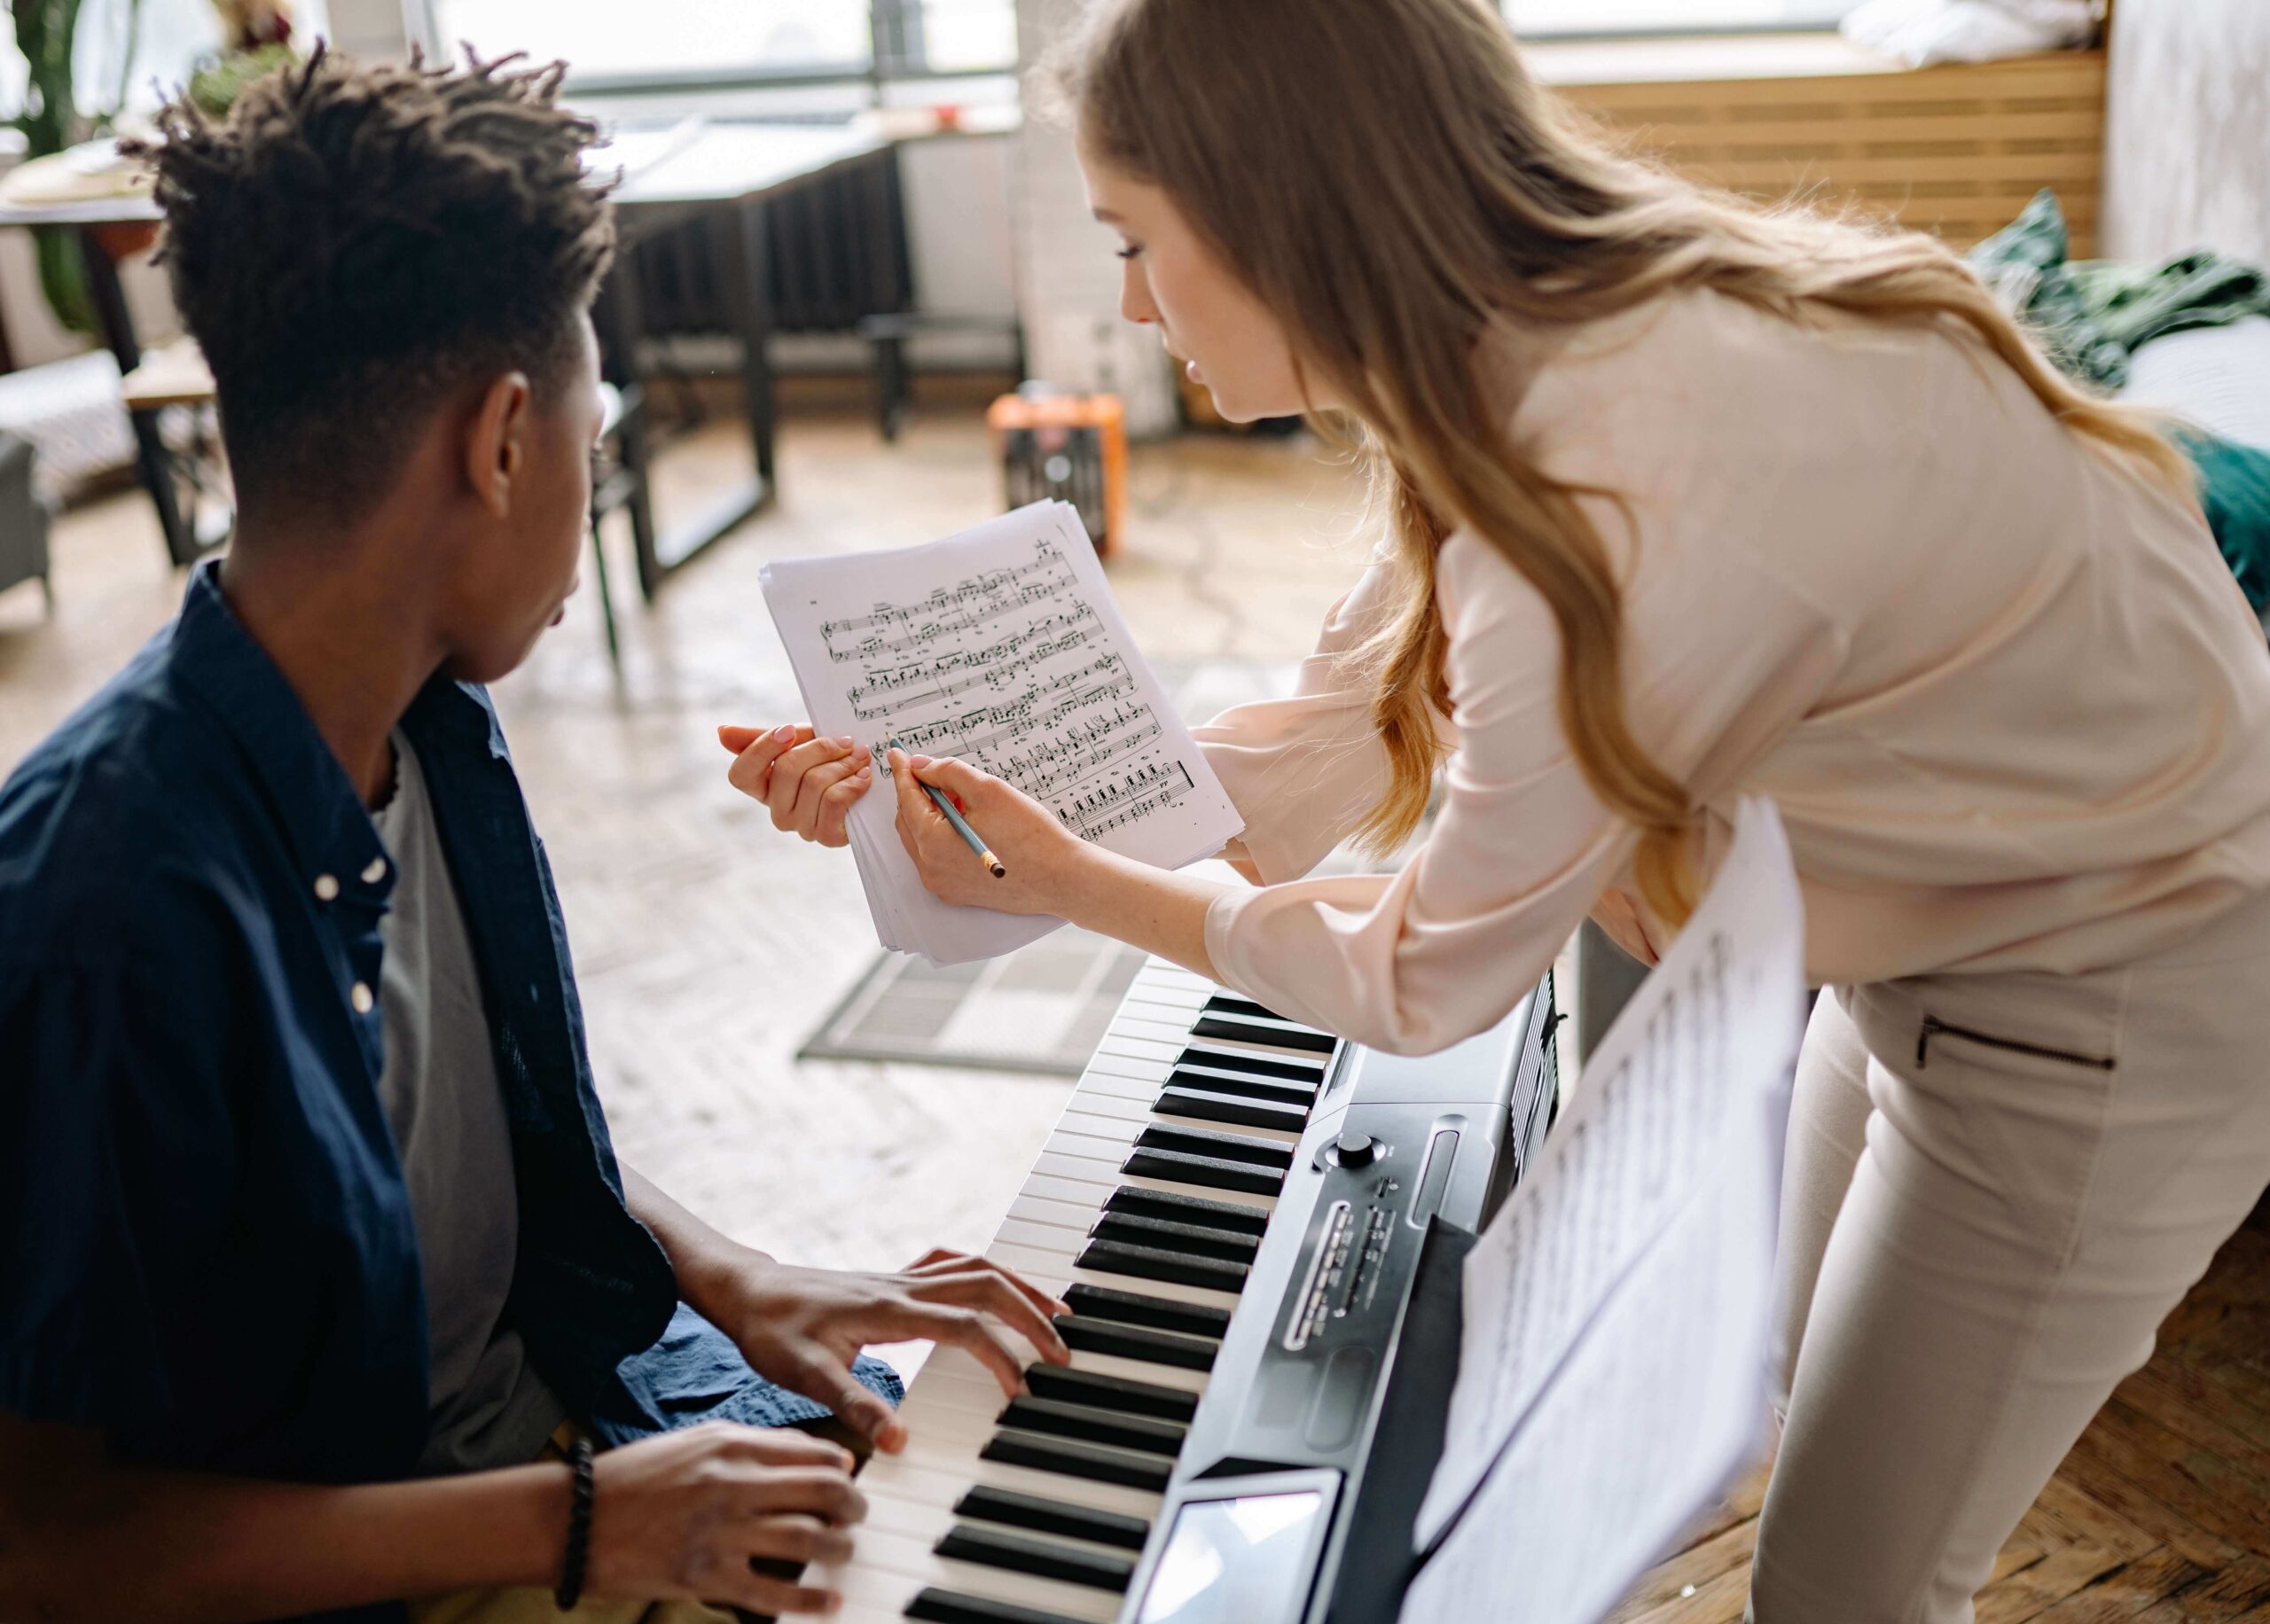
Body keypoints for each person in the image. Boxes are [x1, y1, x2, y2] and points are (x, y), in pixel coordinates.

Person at [724, 1, 2270, 1618]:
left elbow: (1424, 981)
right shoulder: (1525, 356)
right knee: (1782, 1405)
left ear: (1279, 215)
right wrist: (952, 822)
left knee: (1849, 1589)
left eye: (1134, 240)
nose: (1126, 301)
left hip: (2119, 1004)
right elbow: (1307, 762)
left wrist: (1081, 881)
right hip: (1939, 949)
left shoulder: (1613, 470)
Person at [0, 51, 1069, 1624]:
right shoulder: (98, 909)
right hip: (422, 1561)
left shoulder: (427, 715)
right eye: (594, 426)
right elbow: (39, 1549)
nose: (596, 468)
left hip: (587, 1414)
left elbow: (475, 1156)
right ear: (502, 443)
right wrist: (574, 1524)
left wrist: (735, 1273)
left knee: (1030, 1494)